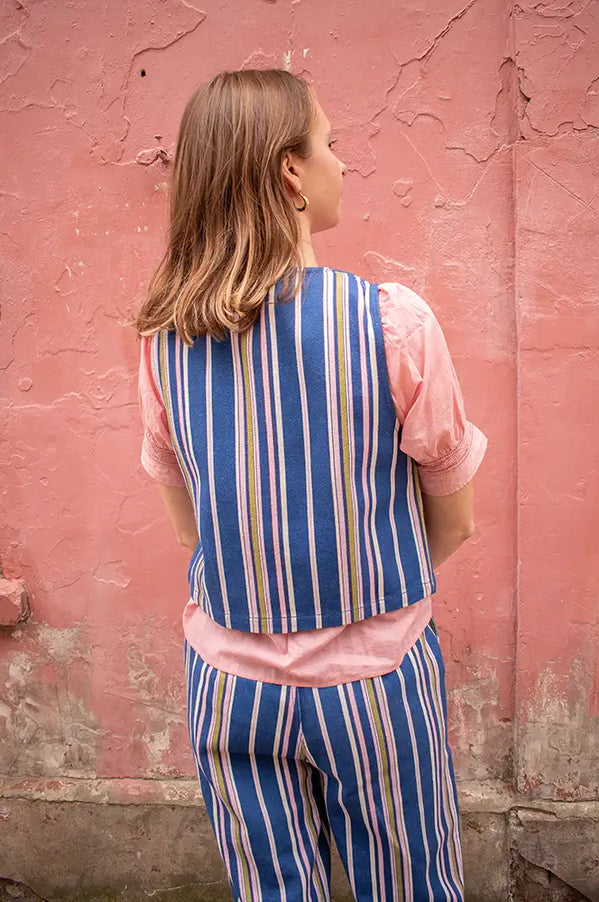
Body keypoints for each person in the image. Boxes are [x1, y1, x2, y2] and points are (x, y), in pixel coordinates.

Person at [134, 68, 486, 902]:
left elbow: (193, 528)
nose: (341, 165)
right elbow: (455, 520)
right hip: (376, 682)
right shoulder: (392, 322)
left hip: (230, 691)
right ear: (291, 171)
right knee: (409, 888)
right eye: (330, 144)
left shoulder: (161, 344)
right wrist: (371, 581)